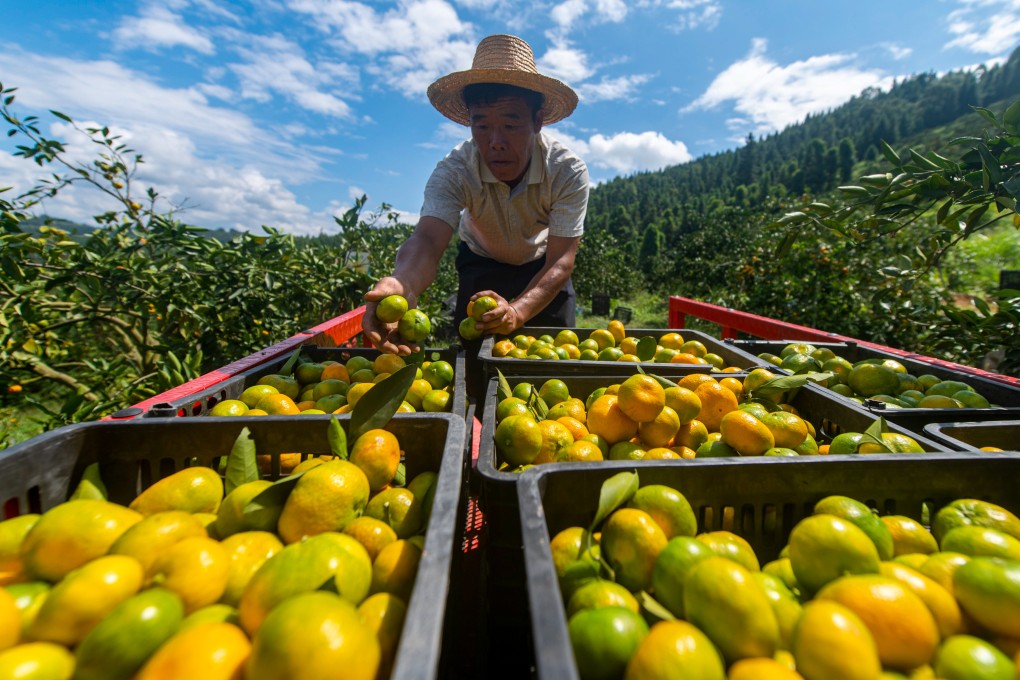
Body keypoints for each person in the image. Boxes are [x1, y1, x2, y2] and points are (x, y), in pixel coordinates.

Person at [362, 34, 590, 400]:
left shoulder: (566, 170)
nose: (495, 141)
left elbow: (562, 259)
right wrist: (402, 283)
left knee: (554, 375)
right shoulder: (455, 170)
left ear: (537, 120)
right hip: (481, 268)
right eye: (481, 125)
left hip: (542, 273)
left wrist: (517, 311)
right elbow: (427, 240)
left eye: (511, 124)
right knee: (476, 379)